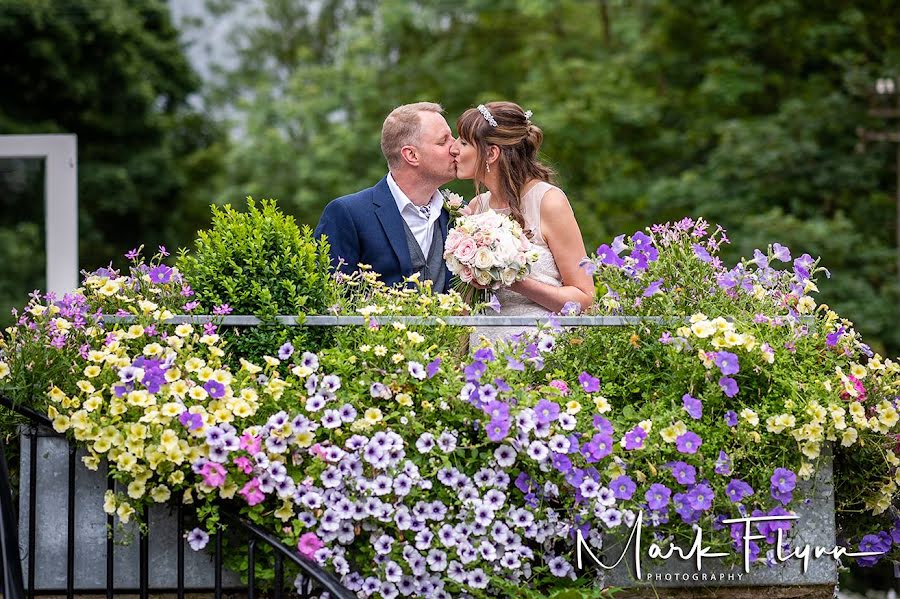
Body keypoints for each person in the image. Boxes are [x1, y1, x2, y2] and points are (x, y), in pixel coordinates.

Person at [451, 101, 594, 317]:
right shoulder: (476, 207)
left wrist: (513, 280)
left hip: (538, 343)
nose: (453, 148)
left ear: (491, 154)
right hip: (483, 344)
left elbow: (585, 299)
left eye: (463, 142)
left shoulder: (548, 202)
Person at [314, 102, 458, 292]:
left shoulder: (459, 213)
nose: (455, 148)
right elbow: (328, 299)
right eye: (443, 141)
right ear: (411, 155)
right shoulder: (347, 214)